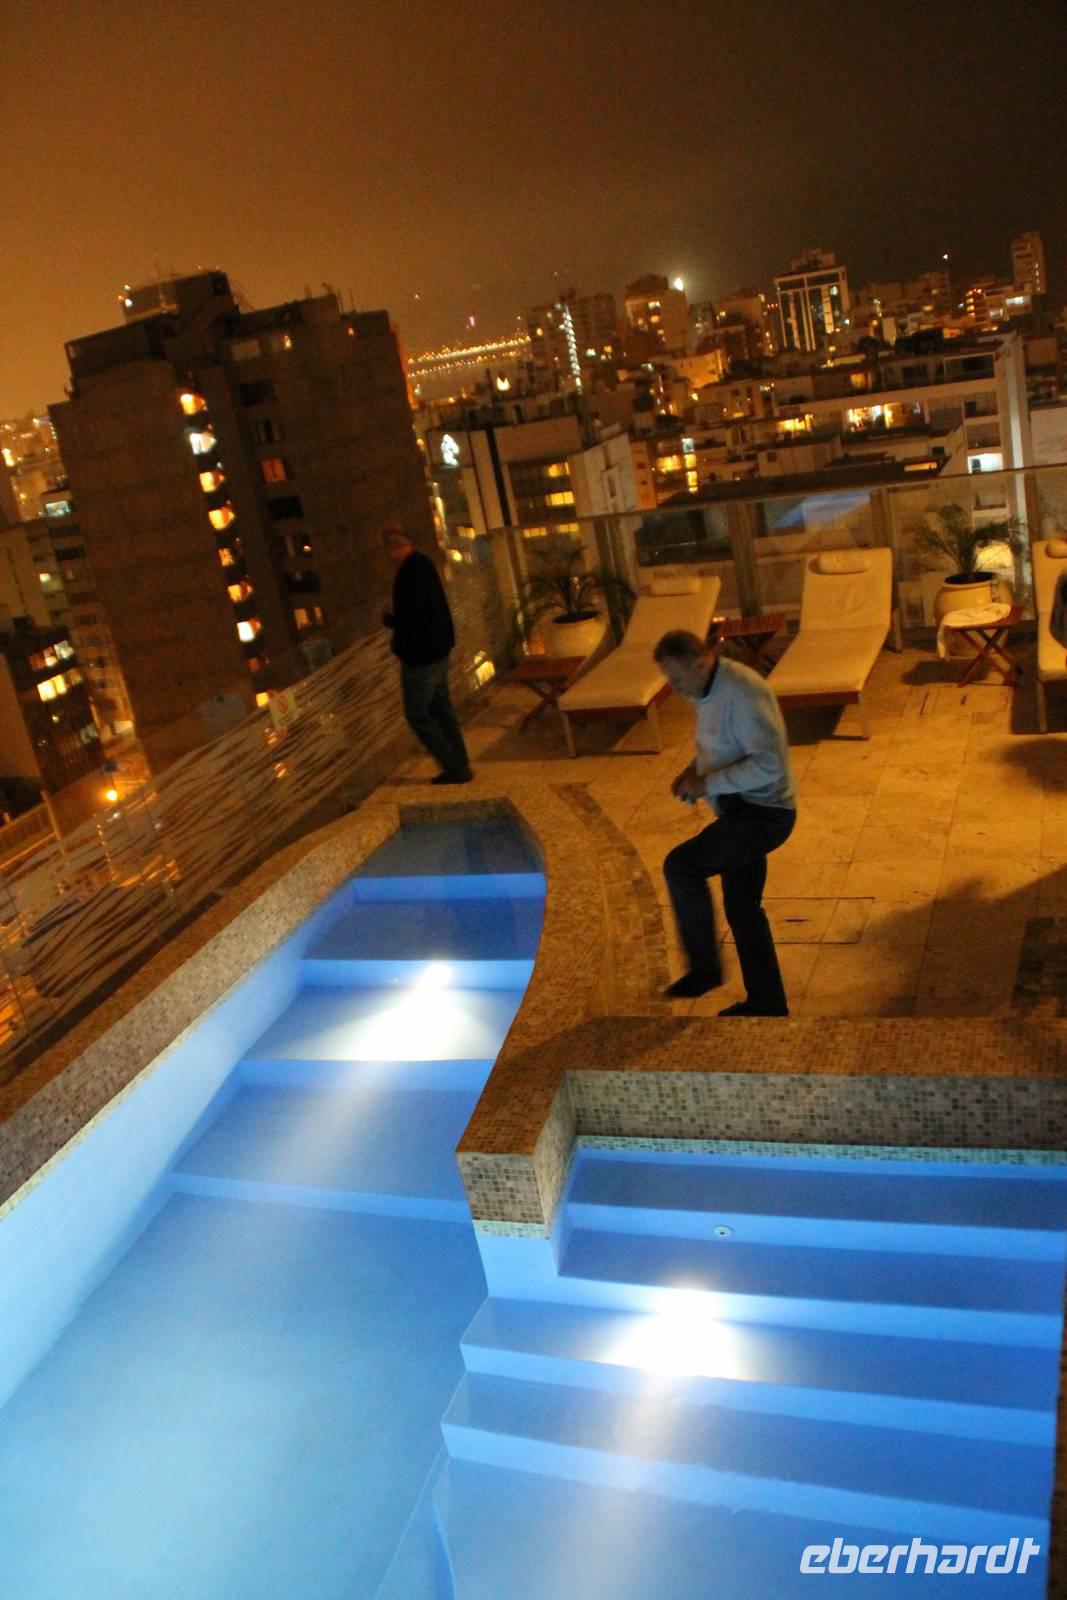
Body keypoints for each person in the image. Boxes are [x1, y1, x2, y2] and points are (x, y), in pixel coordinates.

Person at [653, 628, 796, 1016]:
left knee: (681, 866)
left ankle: (705, 969)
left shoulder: (742, 692)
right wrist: (694, 772)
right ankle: (767, 1002)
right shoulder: (706, 688)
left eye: (677, 678)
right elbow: (722, 745)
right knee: (743, 908)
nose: (674, 688)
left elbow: (769, 764)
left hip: (763, 814)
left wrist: (707, 783)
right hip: (739, 808)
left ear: (701, 663)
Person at [381, 524, 473, 784]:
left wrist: (390, 620)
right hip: (437, 649)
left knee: (418, 713)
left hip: (421, 655)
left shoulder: (410, 572)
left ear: (394, 549)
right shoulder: (424, 564)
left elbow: (412, 617)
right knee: (440, 707)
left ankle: (453, 765)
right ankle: (459, 763)